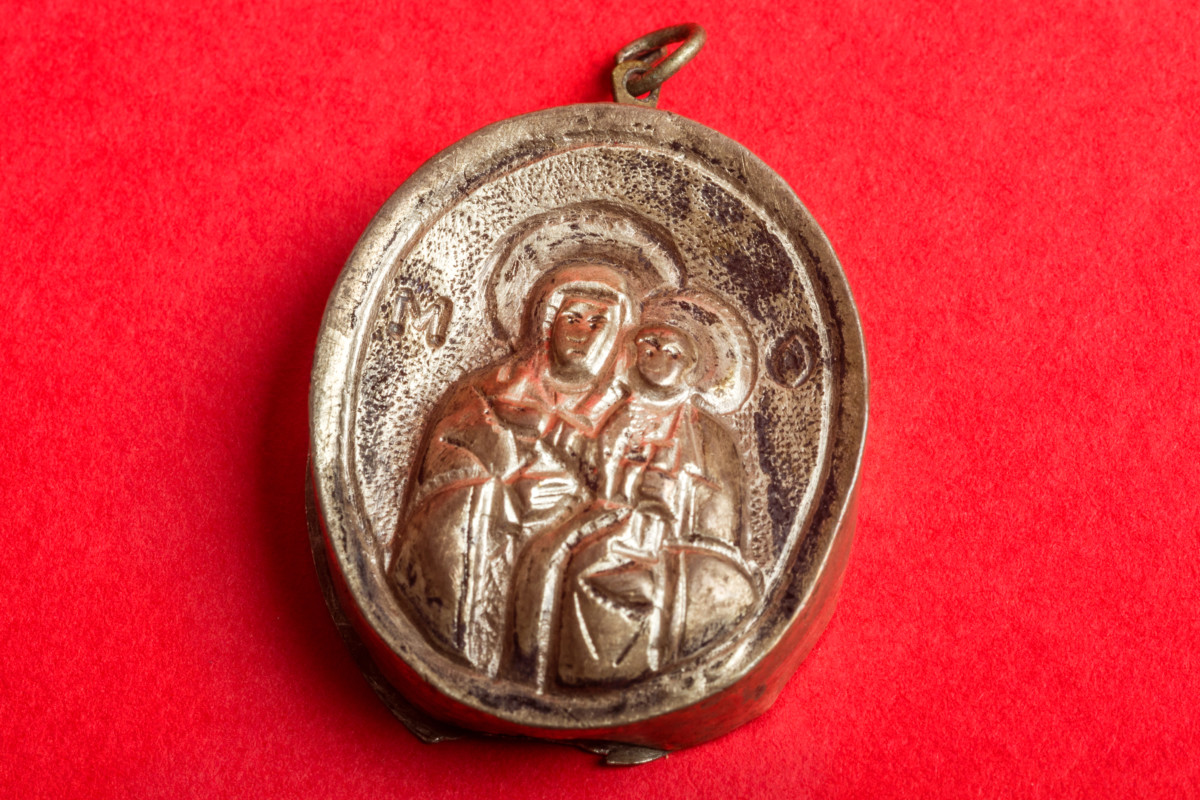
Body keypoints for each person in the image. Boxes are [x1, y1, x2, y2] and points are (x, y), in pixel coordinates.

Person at [387, 264, 636, 676]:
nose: (583, 333)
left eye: (597, 323)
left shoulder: (626, 411)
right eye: (572, 318)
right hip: (489, 536)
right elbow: (443, 460)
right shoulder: (492, 390)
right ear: (549, 325)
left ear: (617, 336)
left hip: (578, 544)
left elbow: (634, 490)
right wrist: (503, 495)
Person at [506, 292, 760, 690]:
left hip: (652, 532)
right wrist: (546, 429)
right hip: (608, 514)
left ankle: (594, 678)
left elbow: (695, 499)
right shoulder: (621, 407)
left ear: (690, 367)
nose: (656, 358)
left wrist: (647, 494)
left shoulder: (700, 431)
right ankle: (530, 673)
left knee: (586, 567)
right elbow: (594, 459)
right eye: (649, 346)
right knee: (542, 554)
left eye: (672, 353)